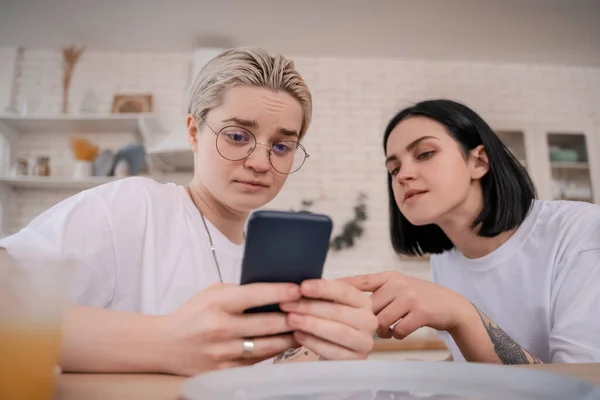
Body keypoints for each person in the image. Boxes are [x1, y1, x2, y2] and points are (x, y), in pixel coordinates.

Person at [0, 47, 377, 376]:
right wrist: (165, 340)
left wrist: (325, 352)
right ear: (194, 133)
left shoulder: (270, 262)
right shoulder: (137, 206)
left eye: (281, 146)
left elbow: (249, 376)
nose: (261, 162)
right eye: (238, 136)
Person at [343, 99, 600, 364]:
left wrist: (462, 314)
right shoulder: (445, 261)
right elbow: (469, 357)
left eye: (424, 154)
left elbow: (584, 387)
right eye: (393, 169)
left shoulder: (580, 232)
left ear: (479, 161)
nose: (402, 175)